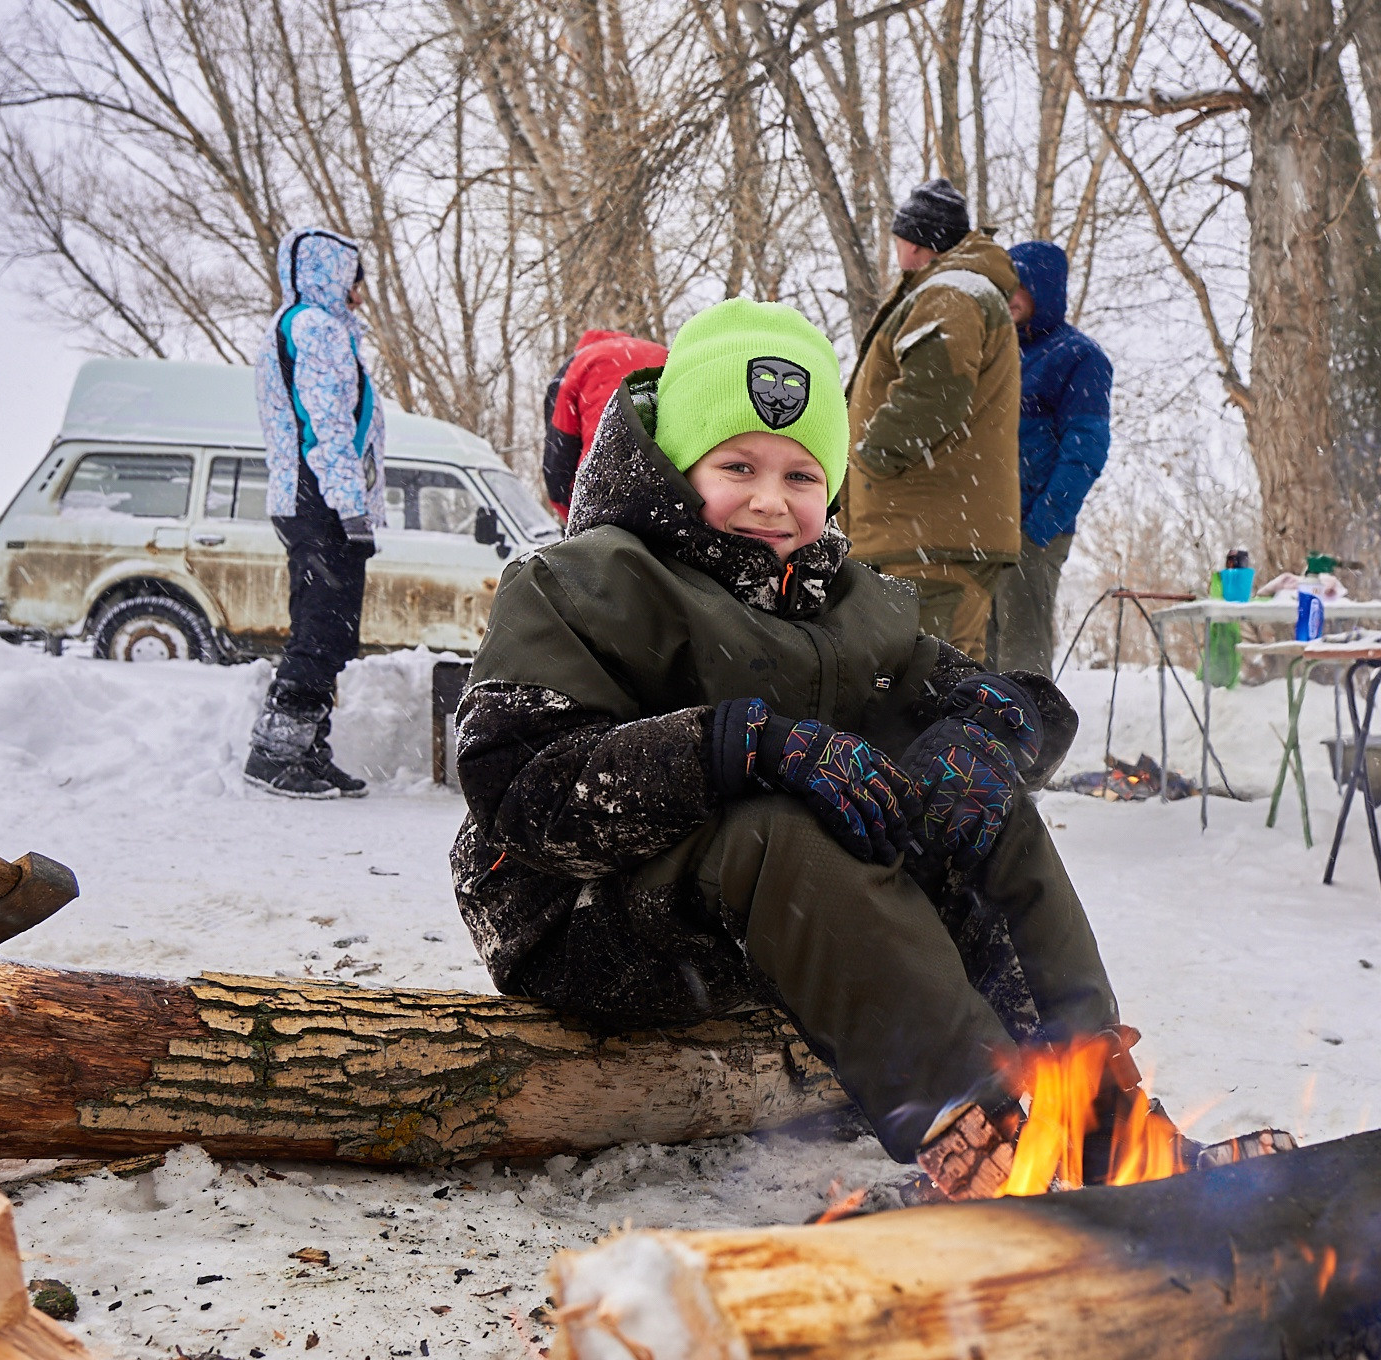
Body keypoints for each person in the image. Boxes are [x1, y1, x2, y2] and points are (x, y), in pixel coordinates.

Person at [449, 298, 1262, 1198]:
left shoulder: (846, 601)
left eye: (802, 474)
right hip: (581, 915)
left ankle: (1098, 1116)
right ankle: (973, 1127)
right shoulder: (588, 581)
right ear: (679, 466)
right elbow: (518, 784)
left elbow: (1014, 703)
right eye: (737, 465)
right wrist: (736, 746)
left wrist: (982, 739)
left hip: (768, 929)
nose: (769, 499)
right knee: (775, 828)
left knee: (985, 809)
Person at [844, 179, 1024, 663]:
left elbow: (933, 392)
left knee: (928, 685)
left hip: (928, 532)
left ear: (918, 244)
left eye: (900, 237)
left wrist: (868, 461)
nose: (896, 248)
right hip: (931, 529)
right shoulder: (957, 289)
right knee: (936, 680)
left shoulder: (950, 294)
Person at [247, 225, 387, 800]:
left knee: (331, 631)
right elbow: (325, 426)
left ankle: (307, 748)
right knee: (320, 629)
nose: (362, 291)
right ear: (334, 275)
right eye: (357, 278)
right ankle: (273, 756)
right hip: (321, 500)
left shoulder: (322, 329)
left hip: (319, 499)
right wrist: (350, 508)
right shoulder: (314, 329)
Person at [992, 239, 1113, 676]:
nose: (1007, 299)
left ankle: (1032, 745)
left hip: (1033, 528)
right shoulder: (997, 353)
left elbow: (1087, 449)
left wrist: (1041, 525)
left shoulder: (1079, 357)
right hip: (983, 529)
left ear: (1042, 289)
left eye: (1016, 288)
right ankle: (978, 745)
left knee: (1022, 658)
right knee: (975, 657)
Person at [541, 328, 667, 520]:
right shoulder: (665, 354)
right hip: (672, 480)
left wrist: (570, 517)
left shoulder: (579, 361)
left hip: (605, 486)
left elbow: (558, 455)